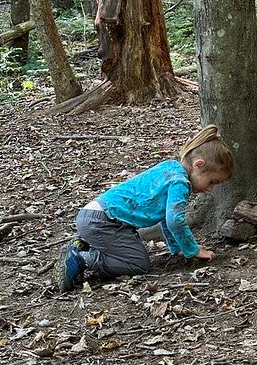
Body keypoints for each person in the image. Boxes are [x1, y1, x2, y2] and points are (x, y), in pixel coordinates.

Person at [54, 125, 235, 292]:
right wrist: (192, 249)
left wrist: (177, 248)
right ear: (199, 165)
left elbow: (165, 217)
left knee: (134, 255)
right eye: (212, 181)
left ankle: (86, 245)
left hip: (93, 216)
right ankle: (81, 258)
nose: (210, 188)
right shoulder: (180, 183)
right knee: (138, 263)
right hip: (104, 222)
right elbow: (175, 220)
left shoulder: (170, 167)